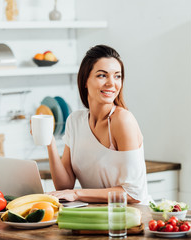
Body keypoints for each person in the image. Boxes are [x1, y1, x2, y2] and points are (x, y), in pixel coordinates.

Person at [46, 45, 149, 204]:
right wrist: (49, 141)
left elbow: (134, 194)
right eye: (102, 75)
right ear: (85, 80)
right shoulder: (75, 121)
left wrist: (77, 194)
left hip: (130, 218)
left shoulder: (122, 120)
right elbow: (64, 185)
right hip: (96, 216)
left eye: (117, 76)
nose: (111, 83)